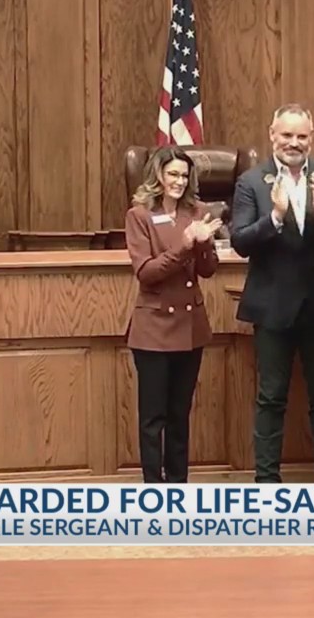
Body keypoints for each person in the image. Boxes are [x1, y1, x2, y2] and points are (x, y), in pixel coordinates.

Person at [230, 103, 314, 483]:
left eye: (301, 136)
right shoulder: (251, 181)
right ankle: (266, 484)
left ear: (311, 138)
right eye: (286, 135)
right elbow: (240, 241)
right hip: (272, 308)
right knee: (271, 398)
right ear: (272, 135)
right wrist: (276, 217)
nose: (293, 143)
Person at [124, 146, 223, 483]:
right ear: (158, 176)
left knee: (180, 416)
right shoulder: (139, 215)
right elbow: (147, 273)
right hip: (153, 330)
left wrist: (204, 243)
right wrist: (184, 246)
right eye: (173, 175)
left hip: (190, 327)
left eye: (184, 175)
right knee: (154, 418)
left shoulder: (197, 212)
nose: (179, 181)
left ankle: (179, 487)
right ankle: (154, 489)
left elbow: (208, 270)